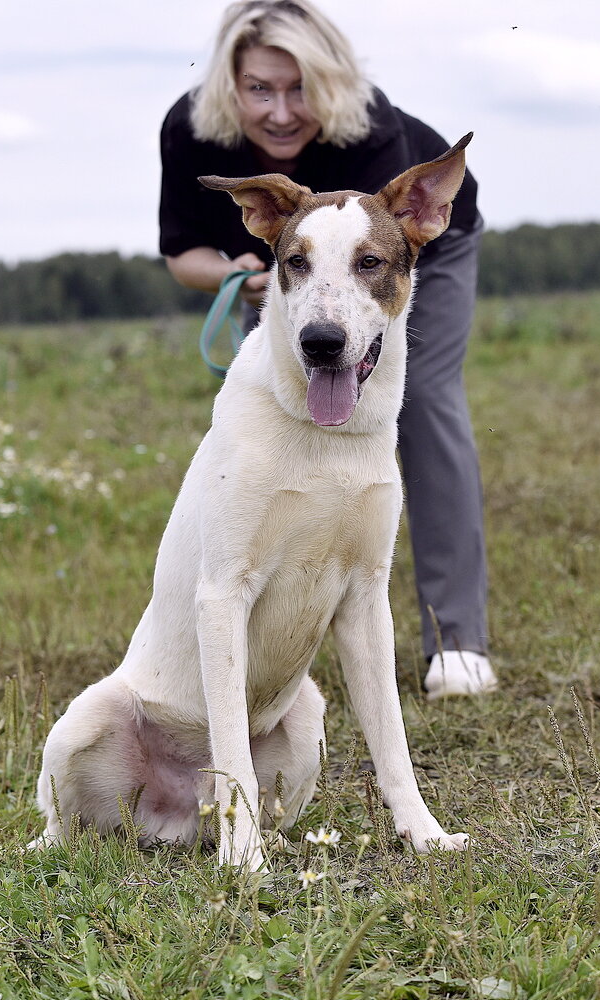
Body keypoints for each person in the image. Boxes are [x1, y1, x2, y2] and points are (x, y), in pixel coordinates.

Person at [158, 0, 496, 698]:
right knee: (275, 408)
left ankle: (456, 640)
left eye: (301, 88)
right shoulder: (191, 131)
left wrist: (321, 293)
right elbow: (182, 254)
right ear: (232, 84)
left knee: (422, 398)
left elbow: (381, 248)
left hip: (395, 252)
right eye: (261, 89)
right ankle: (273, 630)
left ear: (332, 81)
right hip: (287, 275)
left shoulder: (372, 130)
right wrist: (242, 277)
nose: (281, 111)